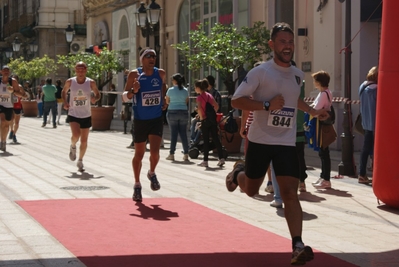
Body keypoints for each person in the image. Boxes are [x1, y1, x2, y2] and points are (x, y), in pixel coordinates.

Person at [227, 22, 328, 265]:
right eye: (282, 42)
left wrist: (313, 111)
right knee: (251, 189)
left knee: (290, 194)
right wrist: (265, 105)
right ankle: (237, 173)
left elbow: (295, 101)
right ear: (272, 44)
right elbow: (236, 101)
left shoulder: (296, 74)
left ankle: (297, 245)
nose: (288, 46)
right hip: (260, 141)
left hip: (285, 142)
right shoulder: (260, 72)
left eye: (290, 42)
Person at [122, 47, 167, 202]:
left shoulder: (160, 73)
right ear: (141, 59)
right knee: (139, 154)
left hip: (156, 119)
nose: (151, 58)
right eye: (148, 56)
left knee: (155, 153)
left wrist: (164, 101)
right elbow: (124, 97)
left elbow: (163, 89)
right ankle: (137, 184)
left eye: (153, 56)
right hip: (140, 120)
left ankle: (152, 173)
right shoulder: (135, 75)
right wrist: (133, 91)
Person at [62, 61, 101, 172]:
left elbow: (98, 94)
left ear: (85, 70)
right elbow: (63, 91)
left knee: (84, 141)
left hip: (86, 114)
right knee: (76, 135)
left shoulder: (91, 83)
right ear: (75, 70)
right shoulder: (70, 82)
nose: (80, 72)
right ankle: (73, 145)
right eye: (78, 70)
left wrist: (95, 98)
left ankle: (80, 160)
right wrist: (65, 102)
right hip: (73, 113)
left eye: (82, 70)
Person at [308, 70, 335, 189]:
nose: (314, 82)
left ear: (319, 82)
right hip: (322, 124)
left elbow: (316, 108)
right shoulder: (326, 92)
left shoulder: (324, 94)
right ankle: (323, 176)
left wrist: (312, 109)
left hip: (321, 125)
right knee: (323, 152)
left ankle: (326, 178)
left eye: (315, 80)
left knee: (323, 152)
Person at [194, 78, 225, 167]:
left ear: (199, 88)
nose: (195, 89)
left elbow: (199, 108)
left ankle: (205, 161)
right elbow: (216, 106)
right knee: (216, 138)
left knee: (206, 140)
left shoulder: (199, 97)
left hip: (205, 120)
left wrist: (202, 117)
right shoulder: (209, 95)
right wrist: (212, 114)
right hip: (212, 120)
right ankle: (221, 158)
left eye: (195, 87)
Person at [358, 66, 378, 184]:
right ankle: (376, 172)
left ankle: (362, 173)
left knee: (365, 149)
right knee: (376, 149)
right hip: (376, 123)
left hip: (365, 122)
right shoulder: (376, 89)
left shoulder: (362, 87)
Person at [0, 65, 25, 152]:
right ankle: (2, 141)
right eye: (4, 70)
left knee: (6, 125)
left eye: (7, 70)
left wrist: (13, 91)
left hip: (9, 105)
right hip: (0, 104)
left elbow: (21, 94)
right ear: (1, 72)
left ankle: (3, 141)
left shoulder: (13, 82)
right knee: (2, 121)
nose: (6, 72)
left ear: (9, 72)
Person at [165, 73, 189, 161]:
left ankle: (172, 153)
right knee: (183, 133)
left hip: (172, 112)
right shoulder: (185, 90)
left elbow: (167, 102)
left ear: (175, 81)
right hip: (183, 112)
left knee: (173, 133)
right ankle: (186, 153)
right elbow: (186, 101)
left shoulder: (170, 90)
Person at [8, 75, 26, 144]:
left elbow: (24, 95)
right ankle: (12, 130)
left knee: (17, 122)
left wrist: (23, 95)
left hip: (17, 105)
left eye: (15, 80)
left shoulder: (20, 86)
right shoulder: (8, 87)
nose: (14, 81)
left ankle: (14, 134)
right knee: (11, 120)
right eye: (12, 80)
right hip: (10, 105)